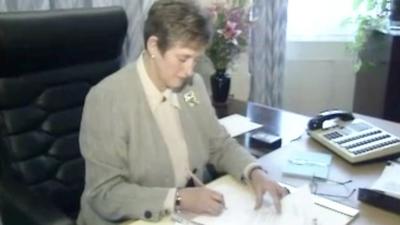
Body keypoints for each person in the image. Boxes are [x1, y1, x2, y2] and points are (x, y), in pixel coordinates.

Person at [77, 0, 288, 224]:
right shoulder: (107, 99)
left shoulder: (192, 86)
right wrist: (177, 198)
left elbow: (218, 143)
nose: (189, 71)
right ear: (154, 47)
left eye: (196, 59)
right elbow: (104, 193)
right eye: (183, 58)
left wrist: (254, 172)